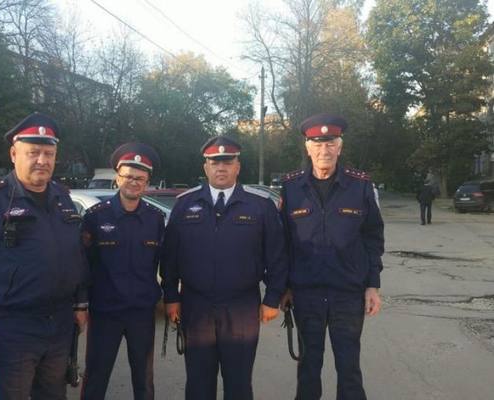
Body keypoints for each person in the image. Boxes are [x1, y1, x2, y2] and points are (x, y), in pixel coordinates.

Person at [0, 112, 89, 400]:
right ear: (14, 154)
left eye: (49, 154)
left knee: (53, 395)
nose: (42, 160)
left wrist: (80, 303)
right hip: (12, 327)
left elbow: (75, 255)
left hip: (59, 323)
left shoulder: (62, 198)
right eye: (33, 152)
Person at [160, 136, 288, 400]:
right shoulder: (184, 205)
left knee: (239, 382)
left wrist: (272, 298)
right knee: (198, 383)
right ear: (205, 167)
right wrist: (171, 296)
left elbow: (277, 255)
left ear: (237, 167)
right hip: (196, 306)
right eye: (214, 162)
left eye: (227, 162)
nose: (221, 168)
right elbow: (170, 257)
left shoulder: (260, 205)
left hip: (241, 308)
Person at [280, 114, 385, 400]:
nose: (324, 151)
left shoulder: (360, 186)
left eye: (330, 144)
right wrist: (283, 286)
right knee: (308, 368)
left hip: (348, 293)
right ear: (308, 148)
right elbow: (283, 242)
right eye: (317, 144)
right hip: (306, 294)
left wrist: (372, 285)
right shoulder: (291, 188)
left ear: (340, 147)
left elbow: (373, 237)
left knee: (349, 368)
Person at [80, 143, 165, 400]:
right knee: (96, 377)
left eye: (140, 178)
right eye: (128, 176)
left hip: (142, 313)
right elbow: (83, 265)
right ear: (117, 178)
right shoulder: (96, 217)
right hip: (105, 312)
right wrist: (80, 304)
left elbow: (161, 263)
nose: (133, 182)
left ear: (147, 182)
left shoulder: (155, 219)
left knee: (144, 379)